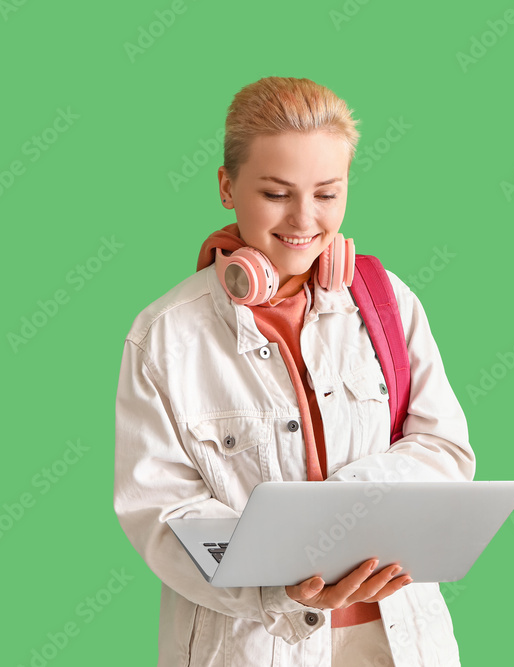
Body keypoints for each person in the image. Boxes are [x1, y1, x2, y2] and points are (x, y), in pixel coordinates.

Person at [113, 76, 476, 666]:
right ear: (227, 187)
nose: (305, 220)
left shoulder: (388, 303)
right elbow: (161, 514)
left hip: (397, 640)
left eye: (328, 194)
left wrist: (342, 507)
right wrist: (277, 584)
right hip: (253, 644)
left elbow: (445, 449)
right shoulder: (166, 337)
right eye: (277, 194)